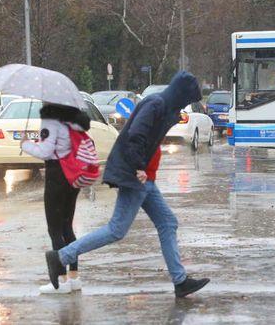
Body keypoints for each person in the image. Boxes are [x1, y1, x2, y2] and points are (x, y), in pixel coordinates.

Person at [44, 71, 210, 298]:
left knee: (168, 222)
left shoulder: (164, 106)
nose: (187, 104)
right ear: (182, 93)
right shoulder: (156, 104)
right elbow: (135, 136)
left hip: (144, 177)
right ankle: (60, 257)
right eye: (188, 99)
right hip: (135, 175)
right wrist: (138, 167)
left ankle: (180, 281)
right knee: (116, 230)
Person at [21, 103, 91, 294]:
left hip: (57, 175)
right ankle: (74, 277)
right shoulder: (73, 119)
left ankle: (60, 281)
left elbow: (45, 151)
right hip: (73, 174)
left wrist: (25, 144)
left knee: (55, 229)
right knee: (67, 226)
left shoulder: (51, 120)